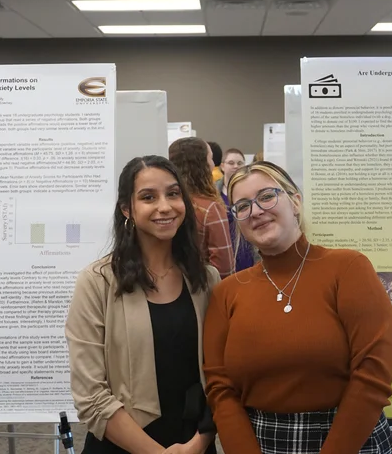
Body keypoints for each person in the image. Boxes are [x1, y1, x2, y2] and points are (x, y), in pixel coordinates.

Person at [203, 161, 392, 454]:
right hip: (261, 442)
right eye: (242, 206)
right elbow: (220, 388)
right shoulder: (226, 293)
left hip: (350, 440)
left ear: (295, 202)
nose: (255, 211)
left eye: (267, 196)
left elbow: (372, 376)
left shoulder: (349, 269)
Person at [65, 155, 221, 454]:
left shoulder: (206, 279)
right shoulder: (97, 282)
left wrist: (201, 442)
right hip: (121, 444)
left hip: (194, 444)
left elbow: (219, 376)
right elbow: (90, 393)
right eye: (148, 197)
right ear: (127, 209)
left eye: (173, 194)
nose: (165, 206)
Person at [169, 137, 234, 278]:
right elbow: (224, 267)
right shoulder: (210, 209)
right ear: (203, 165)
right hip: (202, 291)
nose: (213, 163)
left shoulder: (166, 206)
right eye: (210, 158)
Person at [215, 148, 256, 272]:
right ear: (222, 166)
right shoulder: (213, 192)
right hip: (223, 248)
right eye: (231, 163)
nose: (236, 166)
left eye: (240, 163)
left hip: (247, 248)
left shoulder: (252, 190)